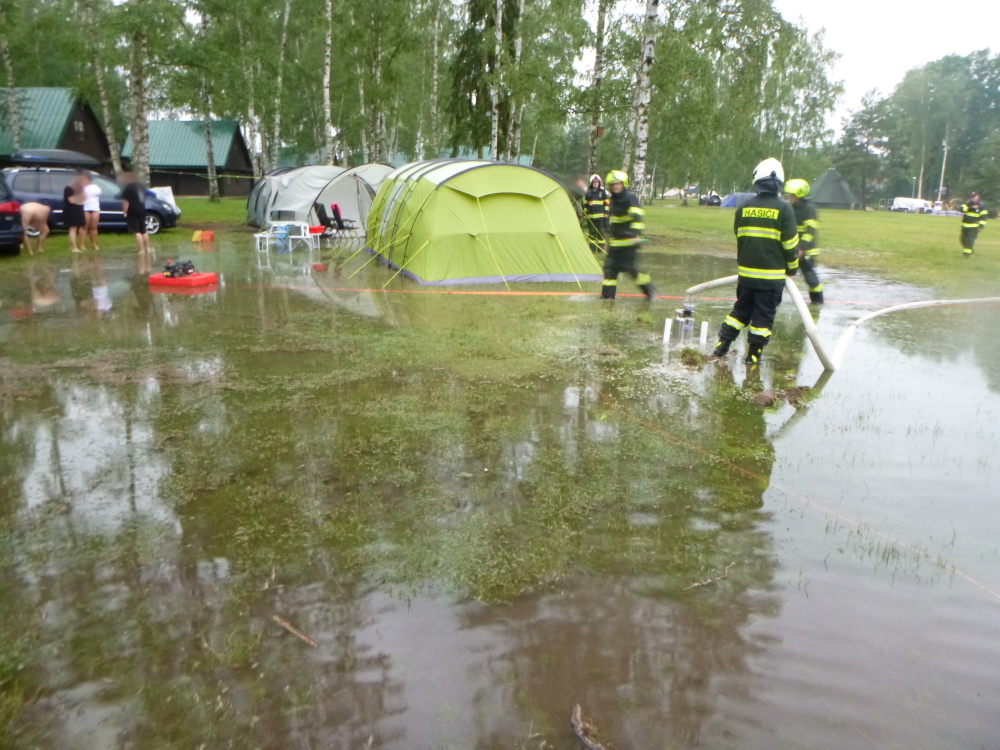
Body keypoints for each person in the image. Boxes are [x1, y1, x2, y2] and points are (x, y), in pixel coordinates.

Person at [713, 158, 799, 365]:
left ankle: (721, 344)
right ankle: (753, 355)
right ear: (780, 181)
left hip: (747, 276)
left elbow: (740, 236)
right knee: (763, 317)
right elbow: (790, 245)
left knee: (740, 311)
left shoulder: (744, 207)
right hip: (771, 279)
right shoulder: (784, 209)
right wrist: (792, 268)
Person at [600, 170, 656, 301]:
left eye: (618, 184)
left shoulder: (629, 197)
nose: (615, 186)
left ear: (623, 184)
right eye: (613, 184)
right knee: (609, 269)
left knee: (631, 269)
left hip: (629, 244)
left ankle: (648, 288)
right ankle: (607, 297)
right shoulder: (613, 200)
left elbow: (637, 216)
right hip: (615, 244)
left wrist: (635, 234)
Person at [784, 178, 823, 304]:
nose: (790, 197)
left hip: (806, 252)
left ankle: (817, 303)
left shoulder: (809, 209)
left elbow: (810, 232)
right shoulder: (791, 207)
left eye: (792, 195)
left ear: (799, 195)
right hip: (793, 249)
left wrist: (801, 248)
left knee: (810, 279)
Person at [120, 171, 151, 253]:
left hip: (133, 210)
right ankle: (148, 248)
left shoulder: (128, 187)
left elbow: (125, 202)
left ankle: (141, 250)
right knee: (144, 230)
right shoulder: (141, 186)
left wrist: (125, 212)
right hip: (142, 209)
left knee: (137, 231)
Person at [583, 174, 609, 253]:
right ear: (591, 183)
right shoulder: (588, 193)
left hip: (601, 216)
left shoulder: (602, 191)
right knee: (592, 233)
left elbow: (607, 203)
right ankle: (592, 249)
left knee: (601, 232)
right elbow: (585, 204)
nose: (596, 183)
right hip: (591, 217)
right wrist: (585, 213)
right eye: (594, 182)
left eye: (597, 182)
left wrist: (606, 212)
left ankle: (600, 249)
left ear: (599, 183)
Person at [959, 190, 987, 258]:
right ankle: (970, 250)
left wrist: (981, 225)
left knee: (969, 240)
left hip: (974, 227)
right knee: (962, 239)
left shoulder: (981, 206)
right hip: (965, 226)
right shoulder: (967, 204)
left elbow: (983, 217)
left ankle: (966, 254)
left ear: (978, 197)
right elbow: (962, 209)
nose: (972, 198)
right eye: (971, 197)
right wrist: (971, 207)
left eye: (974, 197)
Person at [64, 173, 87, 252]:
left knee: (78, 227)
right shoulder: (69, 188)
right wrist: (79, 201)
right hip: (71, 211)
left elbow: (84, 198)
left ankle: (76, 246)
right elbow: (72, 200)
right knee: (73, 228)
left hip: (79, 210)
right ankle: (74, 247)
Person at [81, 172, 102, 250]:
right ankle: (82, 245)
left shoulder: (95, 187)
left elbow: (98, 193)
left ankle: (94, 244)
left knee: (94, 227)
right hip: (85, 208)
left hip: (95, 208)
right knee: (84, 227)